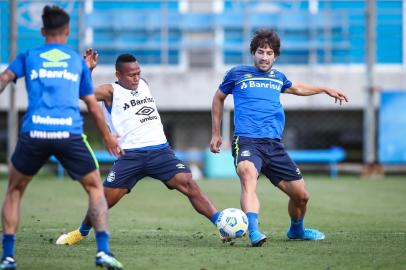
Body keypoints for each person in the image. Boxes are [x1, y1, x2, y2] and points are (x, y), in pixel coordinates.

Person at [55, 49, 221, 246]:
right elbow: (85, 93)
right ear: (118, 75)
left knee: (189, 184)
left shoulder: (144, 84)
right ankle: (81, 233)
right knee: (103, 201)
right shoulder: (111, 92)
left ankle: (221, 223)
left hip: (160, 151)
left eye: (138, 73)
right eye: (131, 75)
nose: (136, 78)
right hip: (130, 156)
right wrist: (87, 69)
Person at [0, 6, 123, 269]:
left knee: (14, 190)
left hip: (35, 132)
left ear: (43, 31)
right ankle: (103, 251)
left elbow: (4, 79)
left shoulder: (28, 55)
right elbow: (91, 104)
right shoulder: (76, 61)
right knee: (94, 188)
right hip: (68, 133)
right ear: (68, 31)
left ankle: (8, 257)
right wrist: (108, 136)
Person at [210, 29, 349, 247]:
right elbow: (218, 98)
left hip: (274, 146)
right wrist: (216, 133)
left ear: (275, 56)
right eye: (260, 52)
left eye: (269, 53)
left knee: (301, 196)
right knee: (248, 175)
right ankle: (254, 231)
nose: (264, 57)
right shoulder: (237, 74)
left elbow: (298, 88)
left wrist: (324, 89)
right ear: (253, 53)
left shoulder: (278, 78)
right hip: (247, 141)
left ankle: (297, 230)